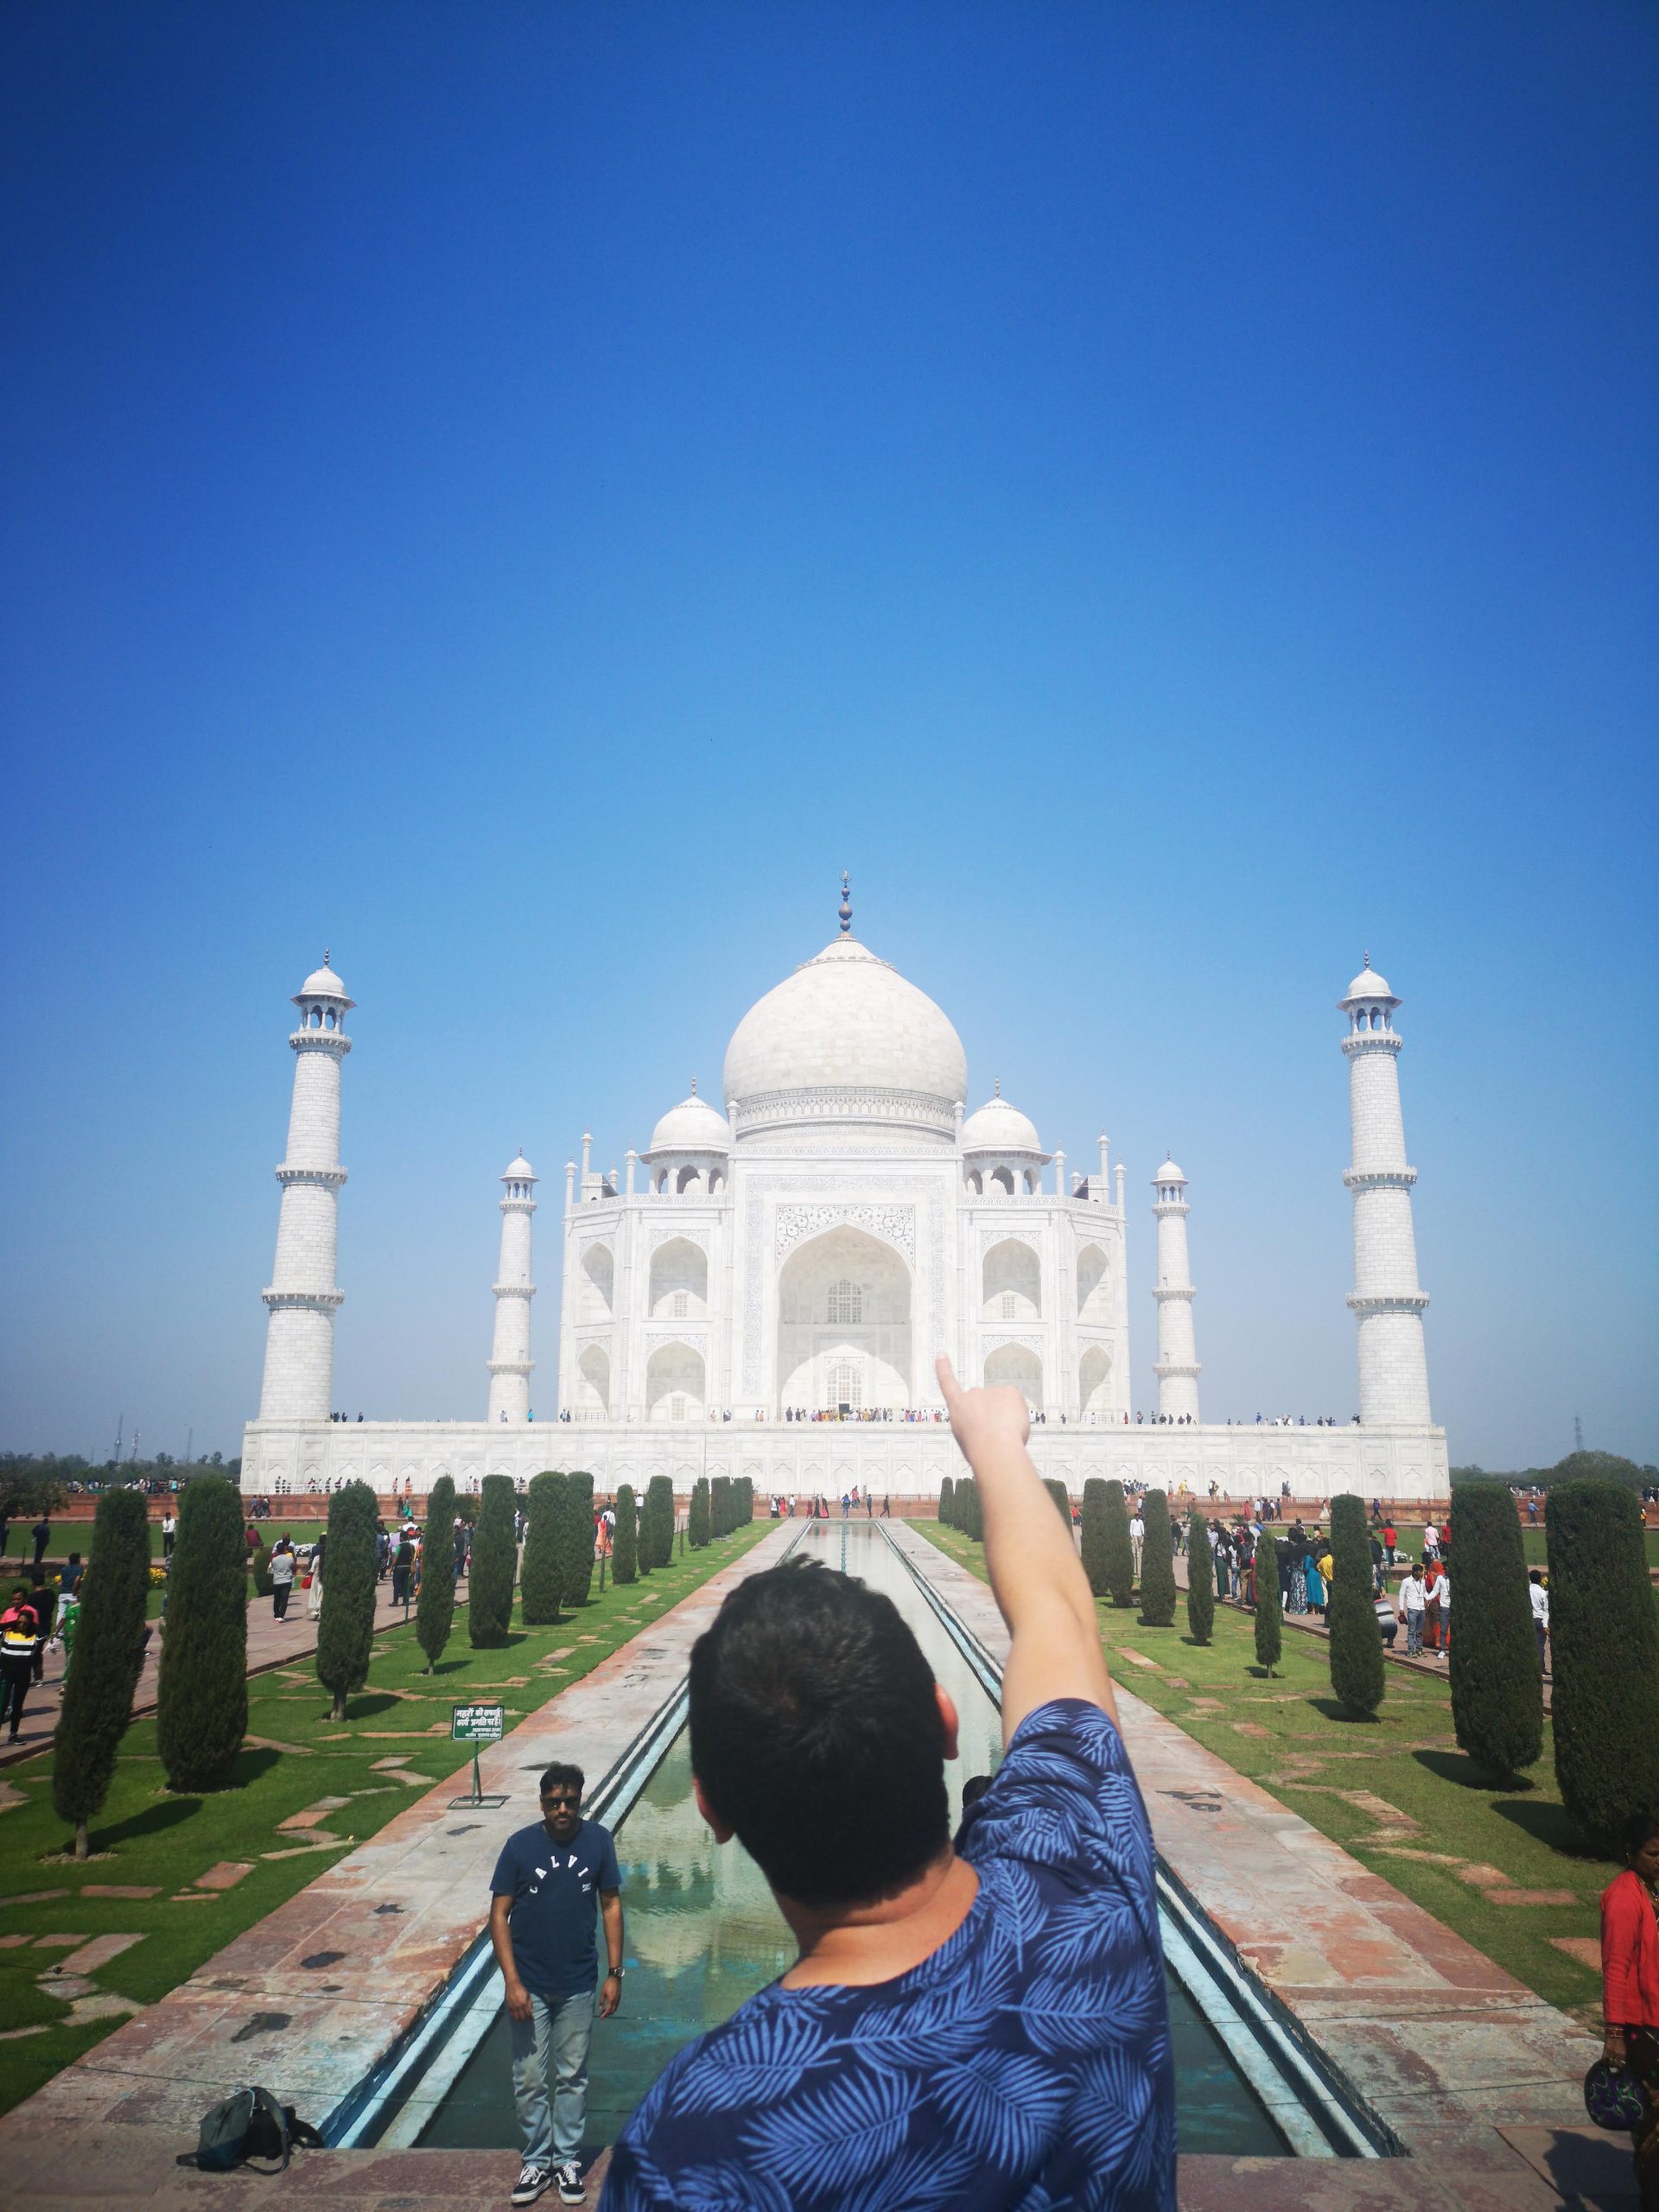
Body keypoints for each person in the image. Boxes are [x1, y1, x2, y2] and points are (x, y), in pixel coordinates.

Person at [601, 1353, 1175, 2211]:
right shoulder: (1084, 1892)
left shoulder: (691, 2140)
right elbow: (1058, 1613)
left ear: (709, 1805)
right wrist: (994, 1443)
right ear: (948, 1723)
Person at [492, 1762, 624, 2208]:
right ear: (543, 1801)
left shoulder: (598, 1841)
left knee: (572, 2077)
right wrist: (512, 1981)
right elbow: (498, 1916)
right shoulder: (520, 1847)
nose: (562, 1808)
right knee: (528, 2078)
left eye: (570, 1801)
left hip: (578, 1983)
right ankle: (536, 2159)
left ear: (580, 1799)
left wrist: (615, 1973)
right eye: (554, 1802)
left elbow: (611, 1905)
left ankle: (565, 2160)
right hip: (529, 1984)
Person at [1599, 1810, 1659, 2207]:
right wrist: (1615, 2034)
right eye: (1654, 1854)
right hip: (1640, 2031)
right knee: (1652, 2125)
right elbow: (1616, 1967)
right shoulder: (1625, 1895)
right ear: (1631, 1852)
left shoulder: (1652, 1889)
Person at [0, 1586, 42, 1742]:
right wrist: (13, 1623)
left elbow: (42, 1633)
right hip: (6, 1673)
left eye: (24, 1623)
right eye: (20, 1622)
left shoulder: (33, 1637)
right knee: (2, 1704)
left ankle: (13, 1734)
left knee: (17, 1706)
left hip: (23, 1675)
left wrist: (28, 1623)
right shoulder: (8, 1632)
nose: (21, 1625)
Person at [1397, 1561, 1426, 1656]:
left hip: (1422, 1609)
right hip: (1412, 1609)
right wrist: (1401, 1607)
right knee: (1411, 1630)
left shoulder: (1423, 1582)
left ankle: (1419, 1649)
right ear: (1415, 1572)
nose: (1422, 1573)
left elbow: (1425, 1594)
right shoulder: (1406, 1581)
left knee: (1420, 1631)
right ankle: (1410, 1650)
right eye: (1421, 1572)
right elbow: (1401, 1594)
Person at [269, 1538, 296, 1620]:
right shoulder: (289, 1559)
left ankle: (276, 1614)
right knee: (284, 1599)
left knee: (276, 1599)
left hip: (277, 1580)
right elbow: (294, 1567)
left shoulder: (274, 1559)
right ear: (284, 1549)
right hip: (287, 1581)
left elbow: (272, 1568)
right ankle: (281, 1615)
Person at [1529, 1570, 1549, 1674]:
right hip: (1540, 1620)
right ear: (1540, 1579)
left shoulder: (1527, 1589)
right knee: (1540, 1646)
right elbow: (1546, 1609)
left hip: (1529, 1620)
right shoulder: (1543, 1592)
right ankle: (1541, 1669)